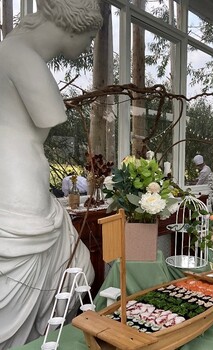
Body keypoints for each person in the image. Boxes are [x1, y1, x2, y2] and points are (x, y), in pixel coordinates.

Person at [0, 1, 102, 348]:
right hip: (21, 190)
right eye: (89, 37)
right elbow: (51, 115)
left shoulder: (10, 50)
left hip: (23, 188)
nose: (88, 46)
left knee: (77, 265)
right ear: (74, 27)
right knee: (36, 285)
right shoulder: (22, 56)